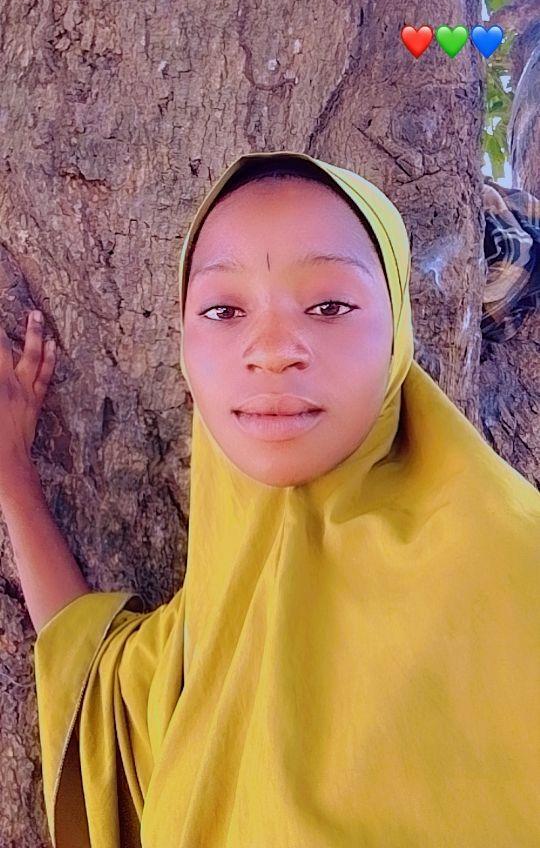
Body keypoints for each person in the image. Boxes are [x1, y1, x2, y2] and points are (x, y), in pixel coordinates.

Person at [2, 150, 539, 847]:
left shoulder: (512, 568)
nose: (273, 349)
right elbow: (102, 690)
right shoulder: (221, 618)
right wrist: (12, 473)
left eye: (330, 306)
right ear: (185, 346)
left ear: (396, 332)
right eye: (224, 310)